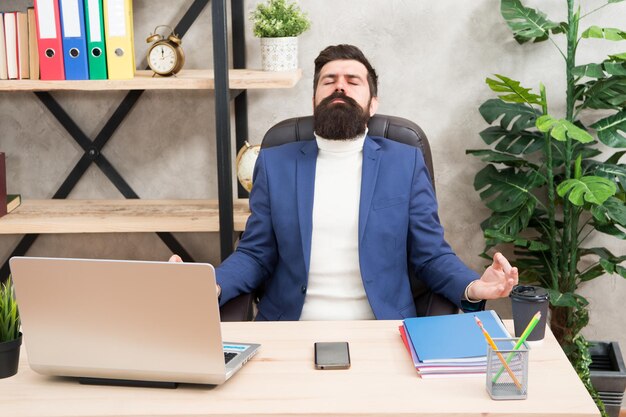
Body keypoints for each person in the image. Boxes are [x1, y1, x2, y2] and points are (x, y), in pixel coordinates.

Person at [172, 44, 518, 320]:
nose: (340, 85)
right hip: (291, 329)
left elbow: (430, 256)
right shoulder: (276, 163)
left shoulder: (404, 162)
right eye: (329, 80)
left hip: (382, 330)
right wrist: (210, 284)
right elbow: (255, 253)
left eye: (353, 81)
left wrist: (475, 286)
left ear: (373, 103)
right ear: (314, 100)